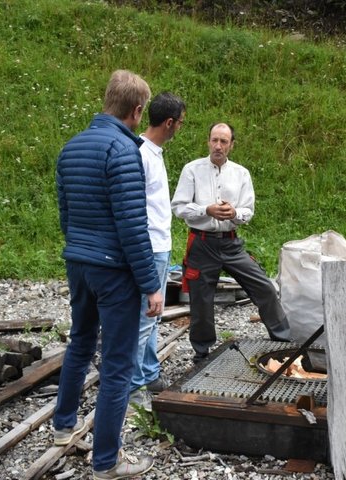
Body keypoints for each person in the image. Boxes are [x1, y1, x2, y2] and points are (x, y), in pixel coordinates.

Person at [53, 69, 162, 479]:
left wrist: (82, 249)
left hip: (78, 263)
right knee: (117, 365)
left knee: (80, 343)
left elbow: (66, 214)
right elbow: (133, 225)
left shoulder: (71, 147)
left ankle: (63, 428)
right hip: (113, 272)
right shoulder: (123, 151)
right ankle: (106, 462)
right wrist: (151, 284)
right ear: (136, 110)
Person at [171, 122, 292, 363]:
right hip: (201, 242)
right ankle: (202, 353)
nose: (218, 146)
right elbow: (178, 207)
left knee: (264, 287)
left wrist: (234, 213)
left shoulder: (241, 173)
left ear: (231, 145)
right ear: (208, 141)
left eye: (223, 141)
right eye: (214, 140)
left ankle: (283, 341)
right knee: (201, 300)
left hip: (231, 243)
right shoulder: (192, 170)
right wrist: (207, 209)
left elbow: (248, 210)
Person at [128, 92, 186, 409]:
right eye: (179, 123)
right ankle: (134, 387)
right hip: (150, 247)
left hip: (159, 246)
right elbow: (135, 209)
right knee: (144, 319)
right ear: (168, 123)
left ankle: (149, 372)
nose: (179, 128)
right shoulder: (140, 154)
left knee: (154, 316)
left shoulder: (153, 151)